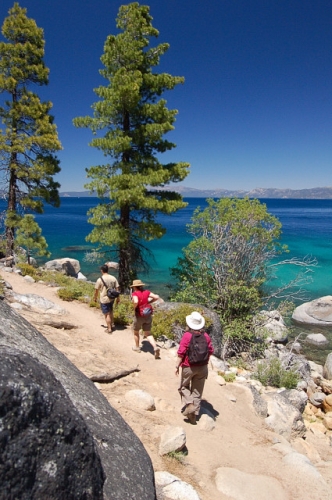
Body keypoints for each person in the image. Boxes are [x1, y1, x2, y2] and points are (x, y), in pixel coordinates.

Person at [175, 311, 214, 425]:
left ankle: (189, 404)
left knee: (183, 387)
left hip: (189, 366)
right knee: (197, 391)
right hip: (202, 367)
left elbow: (181, 352)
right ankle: (194, 415)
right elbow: (211, 350)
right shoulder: (206, 336)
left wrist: (176, 366)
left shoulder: (187, 336)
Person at [130, 279, 160, 359]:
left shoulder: (135, 293)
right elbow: (157, 297)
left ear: (134, 287)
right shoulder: (147, 292)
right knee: (148, 334)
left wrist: (134, 306)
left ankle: (137, 347)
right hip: (148, 315)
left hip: (139, 316)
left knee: (136, 332)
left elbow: (136, 301)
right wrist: (149, 302)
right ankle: (155, 347)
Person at [93, 264, 120, 334]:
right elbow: (117, 289)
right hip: (112, 298)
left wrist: (95, 298)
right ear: (108, 270)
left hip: (104, 299)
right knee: (110, 311)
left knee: (107, 314)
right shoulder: (113, 278)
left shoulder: (100, 279)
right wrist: (118, 298)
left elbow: (96, 290)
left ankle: (109, 329)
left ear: (102, 271)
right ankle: (111, 324)